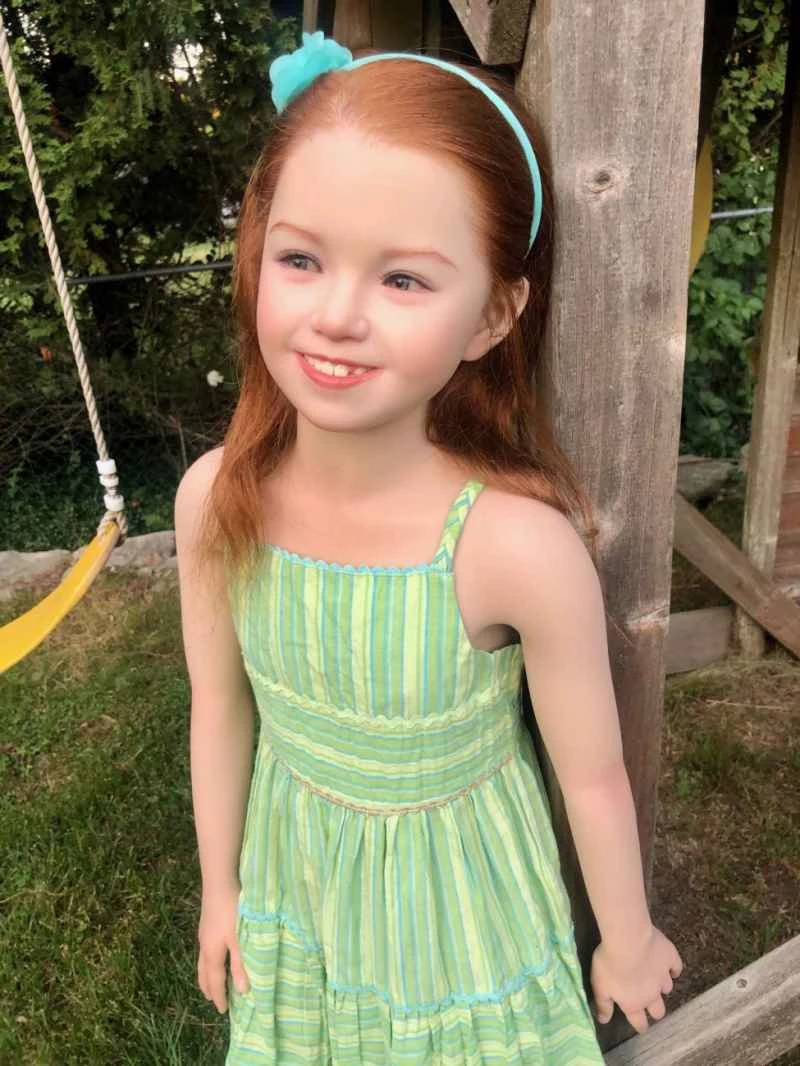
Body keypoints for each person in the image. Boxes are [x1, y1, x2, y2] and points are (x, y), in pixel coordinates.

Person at [175, 29, 683, 1065]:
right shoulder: (215, 501)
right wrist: (221, 890)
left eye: (403, 280)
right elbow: (220, 706)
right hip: (298, 886)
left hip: (462, 920)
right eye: (301, 259)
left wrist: (625, 939)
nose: (336, 315)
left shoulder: (513, 548)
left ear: (492, 315)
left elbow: (591, 777)